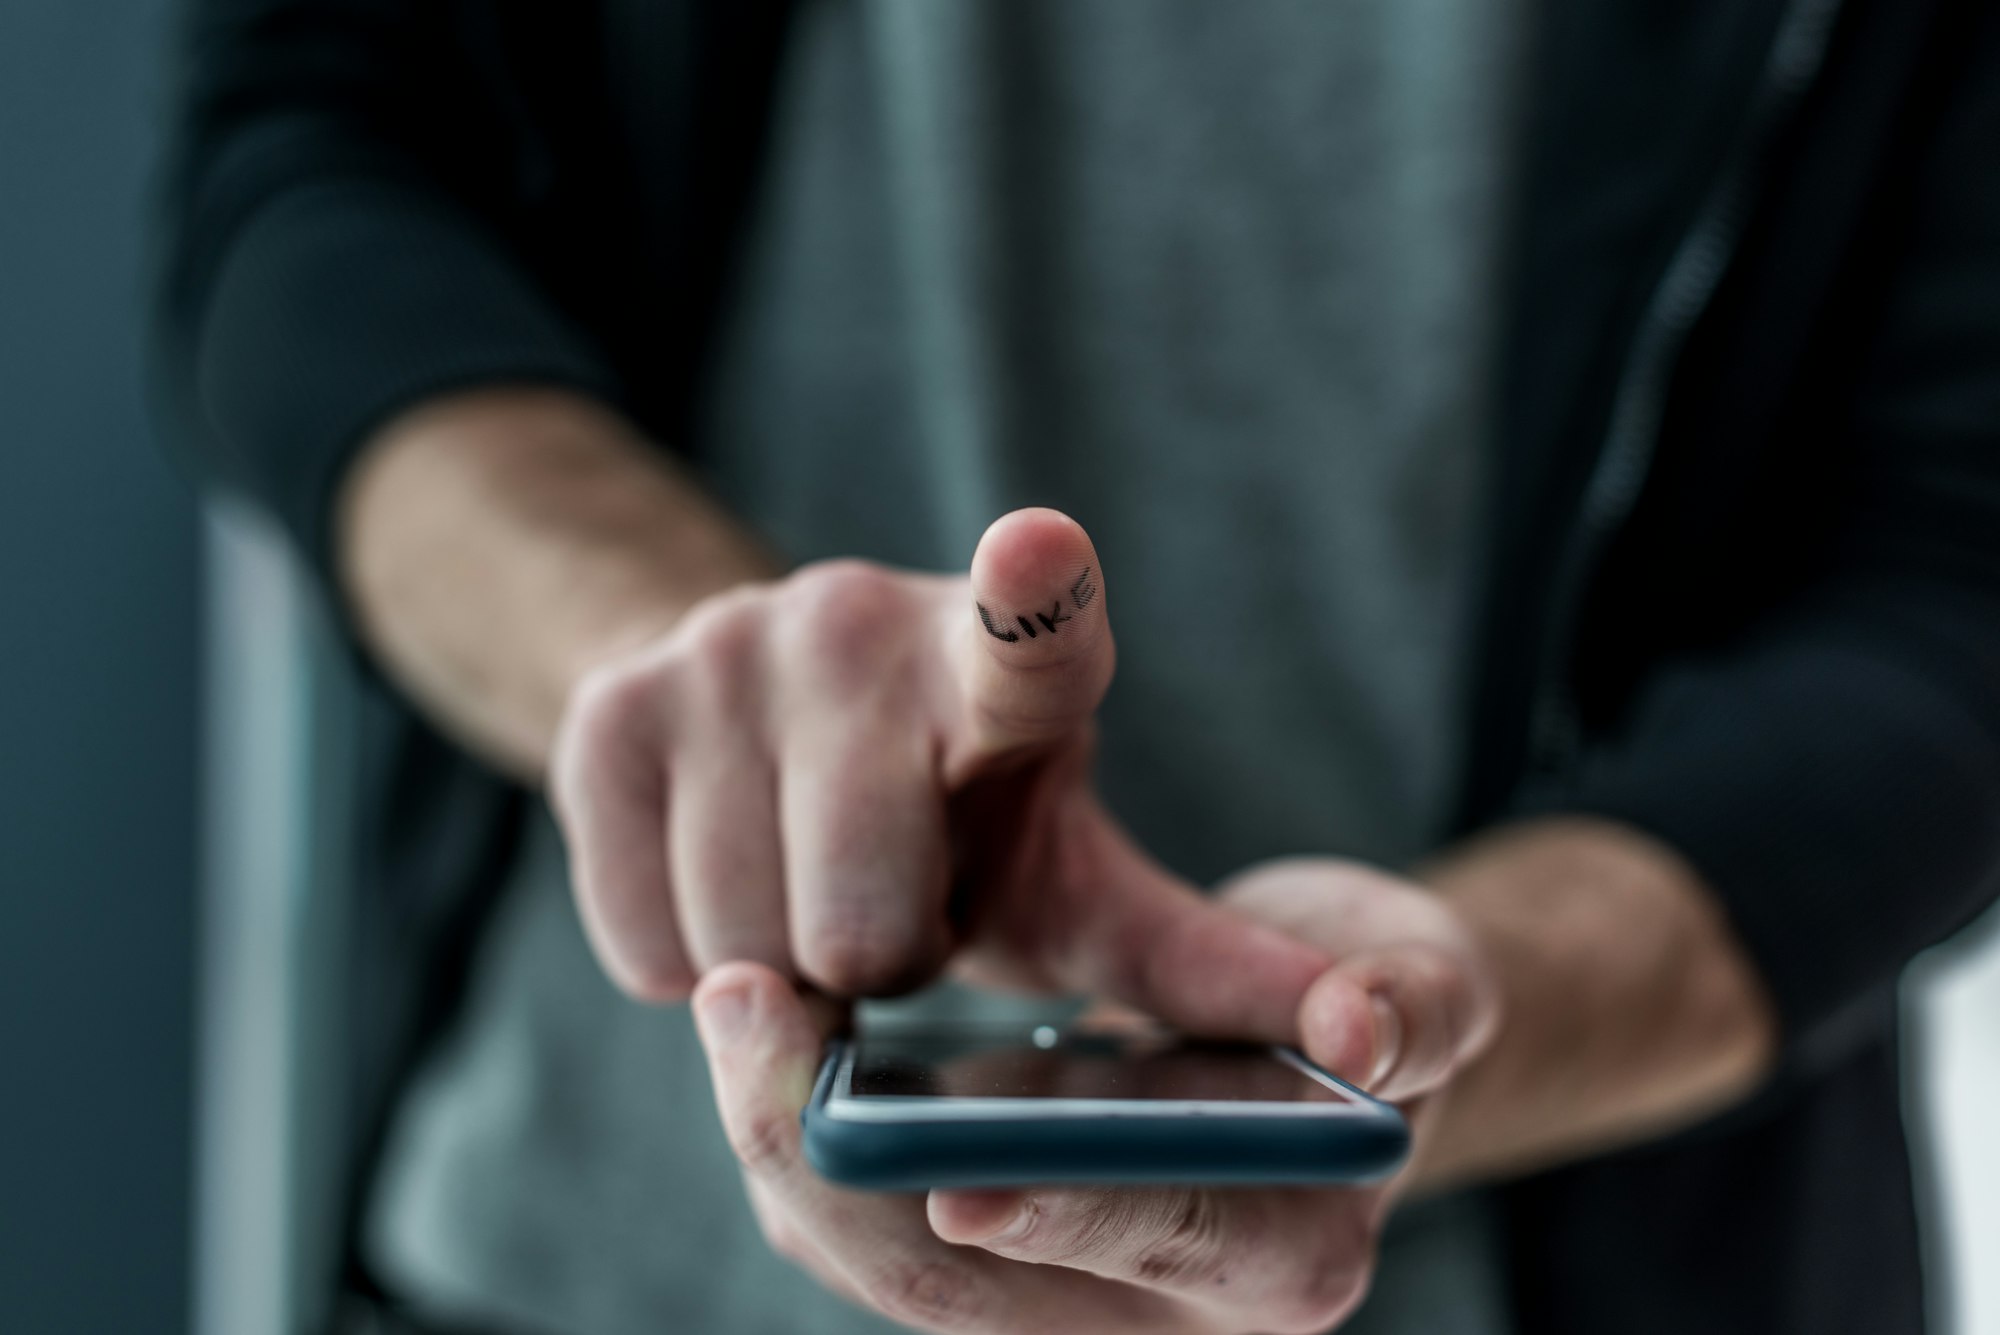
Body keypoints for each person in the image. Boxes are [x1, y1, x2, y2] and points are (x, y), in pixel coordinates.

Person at [154, 2, 2000, 1332]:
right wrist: (701, 683)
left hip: (1591, 1246)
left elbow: (1950, 592)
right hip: (574, 1240)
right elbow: (322, 156)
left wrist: (1438, 1019)